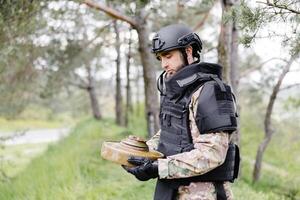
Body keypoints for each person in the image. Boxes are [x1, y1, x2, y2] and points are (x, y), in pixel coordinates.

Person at [123, 24, 240, 200]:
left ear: (189, 51)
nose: (164, 64)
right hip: (170, 191)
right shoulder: (177, 92)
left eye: (168, 56)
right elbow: (172, 133)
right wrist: (142, 155)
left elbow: (213, 153)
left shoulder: (212, 91)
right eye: (160, 58)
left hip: (204, 194)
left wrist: (159, 168)